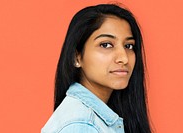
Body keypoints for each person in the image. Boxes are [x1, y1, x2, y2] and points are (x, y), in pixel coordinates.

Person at [42, 3, 152, 133]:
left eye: (128, 46)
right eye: (106, 45)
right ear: (76, 57)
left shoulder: (92, 118)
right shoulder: (83, 125)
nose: (124, 58)